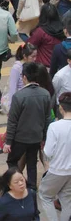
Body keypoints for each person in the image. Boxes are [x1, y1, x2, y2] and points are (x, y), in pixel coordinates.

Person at [3, 62, 53, 189]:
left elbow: (12, 121)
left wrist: (8, 141)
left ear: (24, 77)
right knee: (32, 164)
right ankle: (32, 188)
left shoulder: (19, 96)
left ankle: (18, 182)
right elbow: (47, 118)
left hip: (20, 138)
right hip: (36, 137)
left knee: (11, 161)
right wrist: (44, 138)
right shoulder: (45, 94)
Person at [39, 92, 71, 221]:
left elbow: (48, 152)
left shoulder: (54, 127)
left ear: (61, 108)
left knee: (45, 196)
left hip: (57, 170)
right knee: (66, 199)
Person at [3, 43, 37, 111]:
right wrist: (11, 107)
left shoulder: (32, 65)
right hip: (20, 101)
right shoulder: (16, 68)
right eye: (32, 56)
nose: (35, 59)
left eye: (36, 56)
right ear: (24, 56)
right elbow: (12, 88)